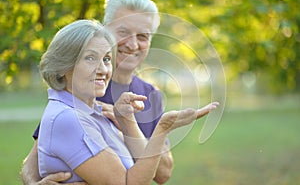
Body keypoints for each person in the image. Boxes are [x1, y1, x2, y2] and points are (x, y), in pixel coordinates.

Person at [33, 19, 219, 184]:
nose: (103, 69)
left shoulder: (93, 111)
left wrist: (127, 119)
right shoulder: (68, 118)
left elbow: (148, 172)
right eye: (90, 58)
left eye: (106, 59)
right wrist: (162, 129)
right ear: (62, 66)